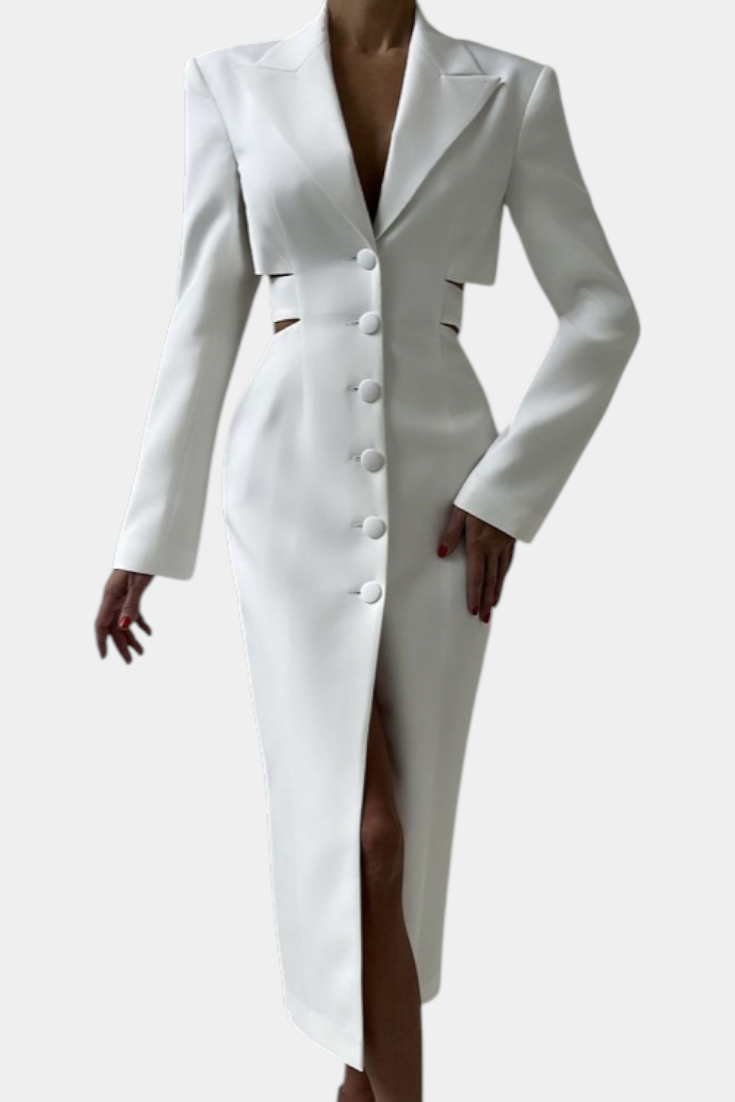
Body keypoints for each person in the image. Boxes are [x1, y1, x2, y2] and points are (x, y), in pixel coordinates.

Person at [95, 2, 640, 1099]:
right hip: (287, 490)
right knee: (366, 836)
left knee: (401, 845)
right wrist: (148, 531)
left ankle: (362, 1083)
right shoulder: (229, 82)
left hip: (448, 502)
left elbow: (601, 310)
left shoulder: (511, 88)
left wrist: (509, 492)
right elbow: (202, 314)